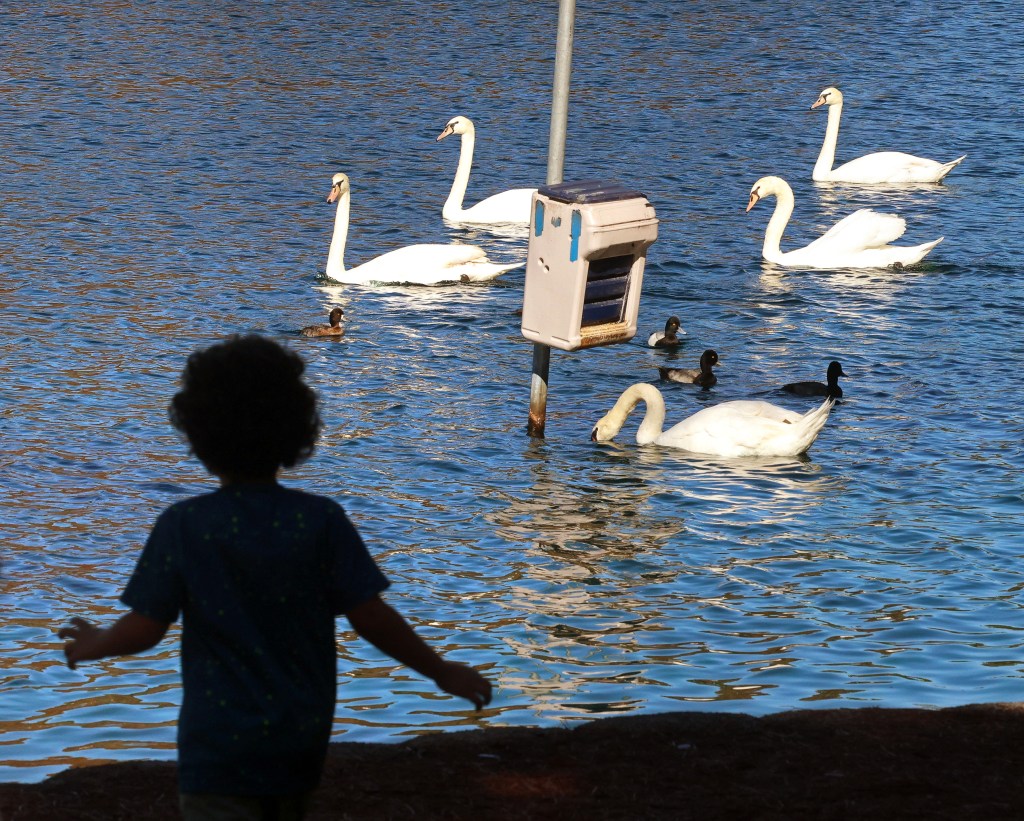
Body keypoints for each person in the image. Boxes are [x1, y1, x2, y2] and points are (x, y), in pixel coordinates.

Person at [59, 334, 492, 820]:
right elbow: (371, 615)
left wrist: (91, 644)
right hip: (299, 743)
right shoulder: (320, 520)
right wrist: (441, 671)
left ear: (198, 434)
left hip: (216, 750)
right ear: (296, 430)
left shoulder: (185, 525)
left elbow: (145, 630)